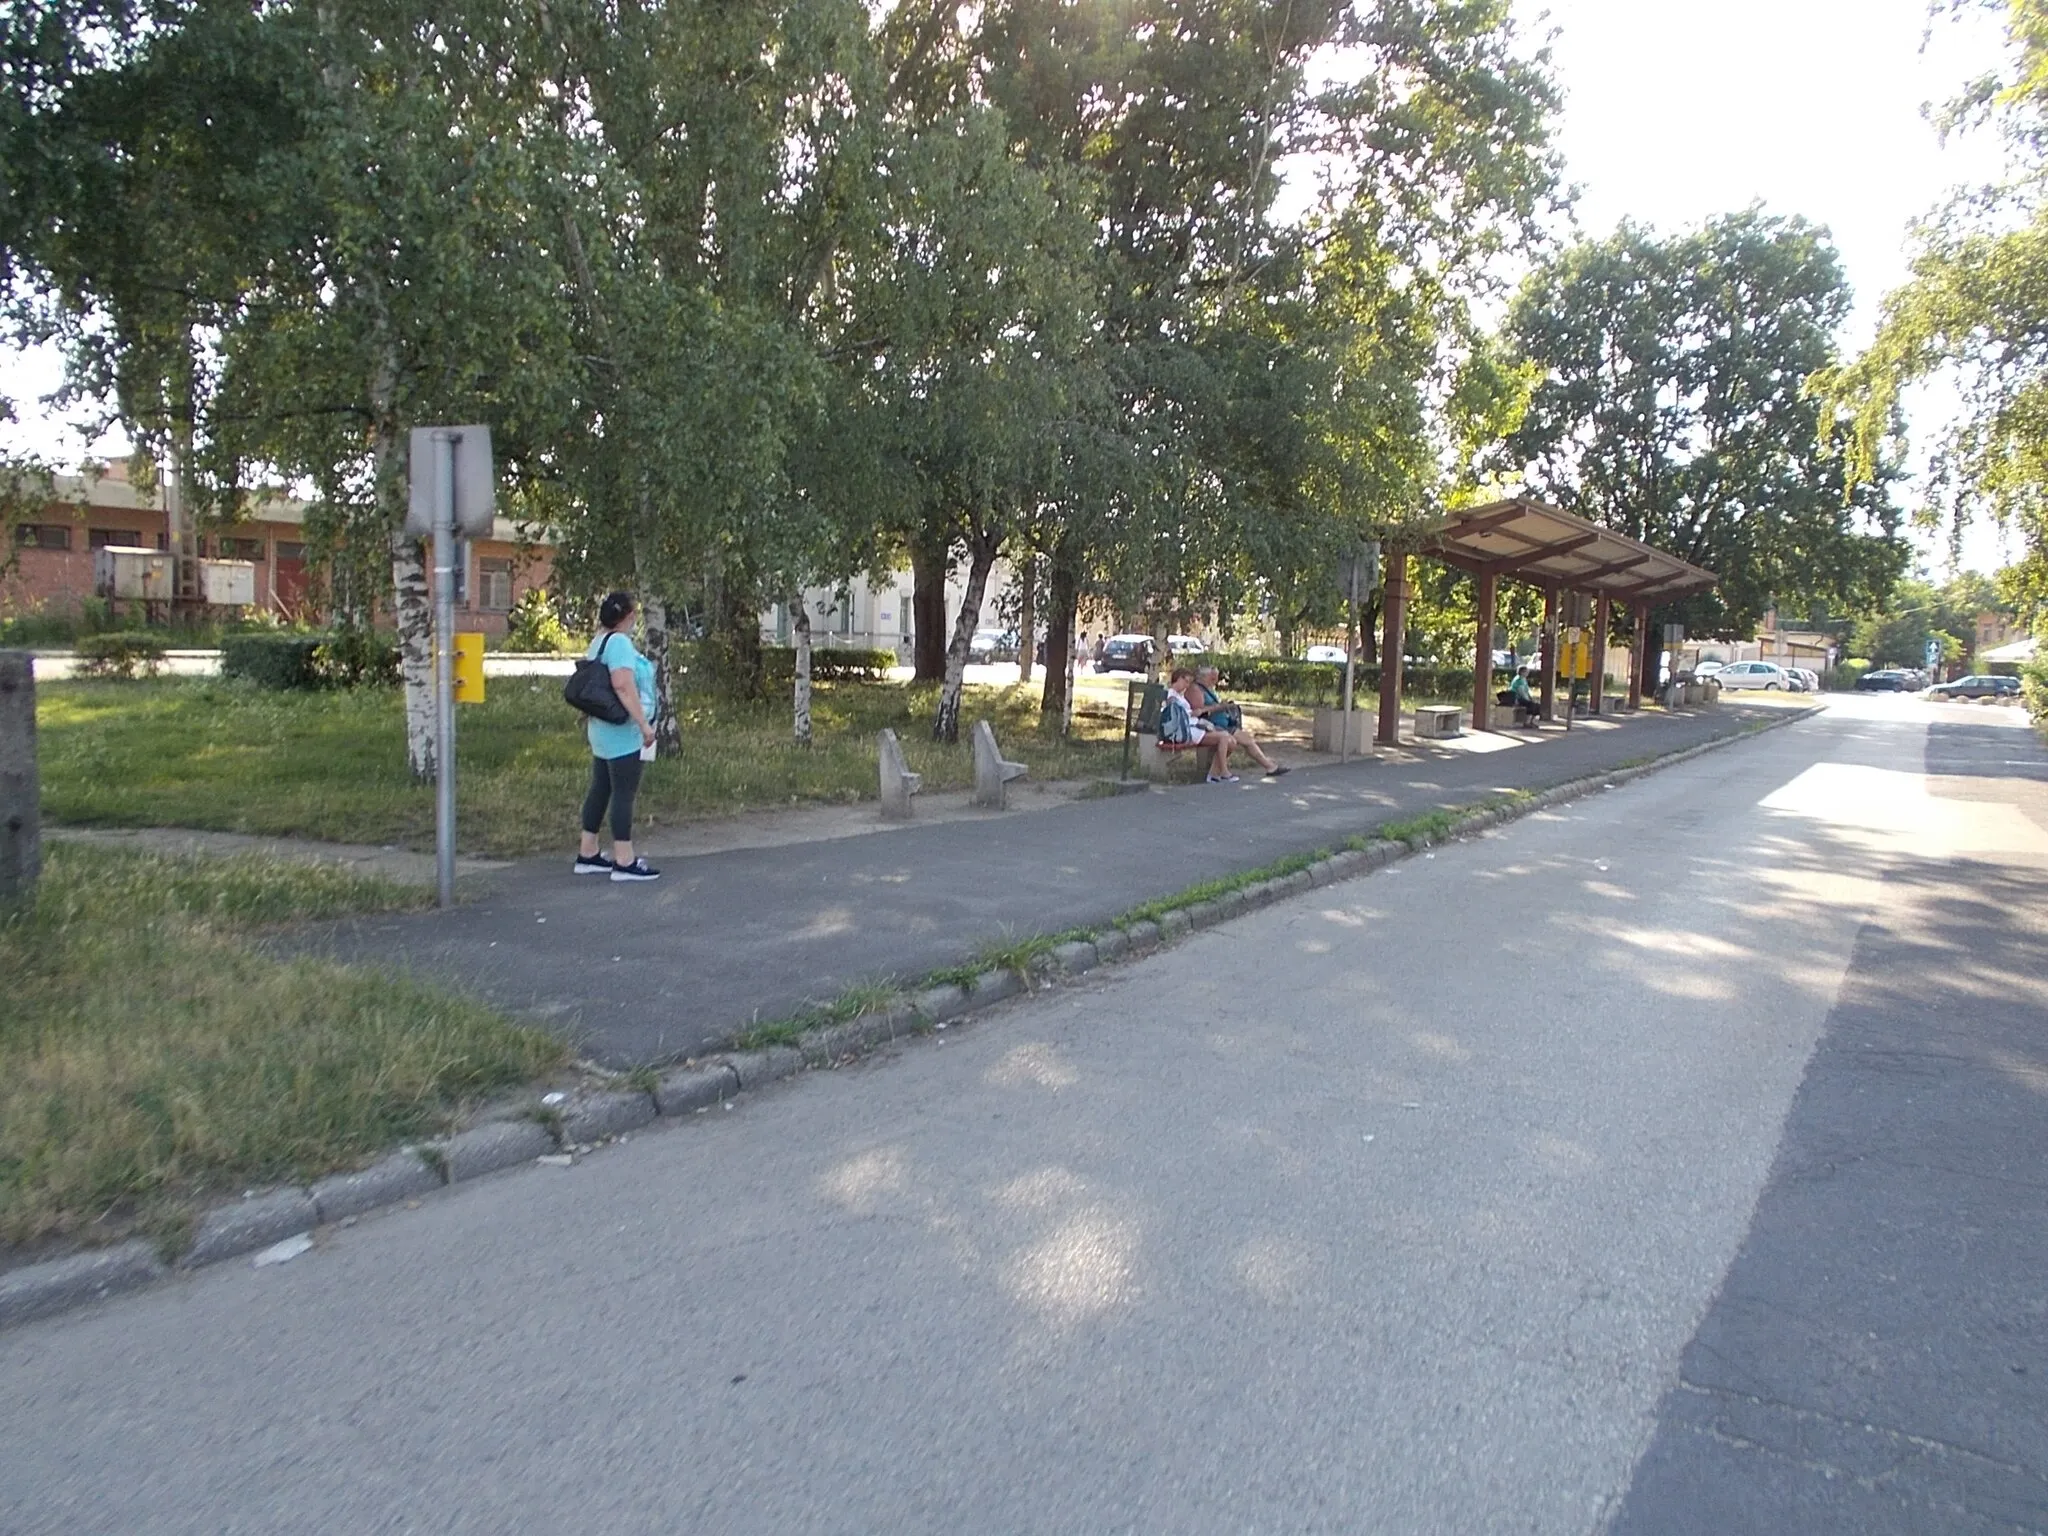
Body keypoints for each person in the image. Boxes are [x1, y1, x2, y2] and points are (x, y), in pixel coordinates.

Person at [574, 591, 662, 882]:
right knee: (624, 793)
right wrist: (644, 726)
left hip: (601, 729)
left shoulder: (598, 642)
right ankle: (624, 860)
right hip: (624, 732)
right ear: (628, 616)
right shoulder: (621, 643)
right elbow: (623, 686)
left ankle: (588, 853)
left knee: (600, 788)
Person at [1185, 666, 1289, 777]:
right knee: (1239, 741)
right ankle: (1269, 767)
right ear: (1203, 677)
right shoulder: (1196, 689)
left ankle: (1270, 767)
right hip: (1211, 725)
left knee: (1247, 740)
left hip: (1222, 724)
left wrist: (1224, 705)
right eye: (1211, 677)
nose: (1214, 680)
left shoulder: (1208, 688)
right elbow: (1198, 711)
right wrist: (1220, 706)